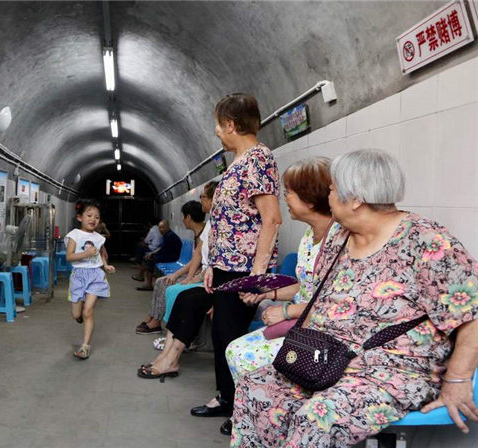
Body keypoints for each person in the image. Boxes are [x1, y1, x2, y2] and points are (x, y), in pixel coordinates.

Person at [232, 149, 478, 447]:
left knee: (317, 418)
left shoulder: (427, 241)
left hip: (390, 371)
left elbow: (472, 315)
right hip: (326, 358)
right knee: (255, 386)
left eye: (333, 189)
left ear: (356, 198)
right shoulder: (339, 236)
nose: (329, 196)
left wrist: (458, 381)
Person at [140, 94, 281, 437]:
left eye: (219, 124)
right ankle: (226, 397)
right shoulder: (236, 162)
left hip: (243, 271)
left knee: (231, 338)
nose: (217, 131)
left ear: (232, 125)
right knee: (221, 336)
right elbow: (223, 222)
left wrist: (257, 274)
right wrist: (210, 264)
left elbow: (272, 219)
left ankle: (240, 409)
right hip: (223, 267)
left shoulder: (259, 160)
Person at [212, 157, 338, 433]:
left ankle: (267, 419)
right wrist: (266, 294)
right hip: (299, 321)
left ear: (310, 197)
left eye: (290, 192)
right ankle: (253, 414)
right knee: (234, 349)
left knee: (244, 355)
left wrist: (285, 312)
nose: (285, 198)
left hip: (321, 333)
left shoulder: (338, 239)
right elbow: (304, 287)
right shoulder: (309, 236)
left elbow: (330, 300)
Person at [136, 199, 208, 334]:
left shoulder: (204, 234)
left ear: (189, 217)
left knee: (164, 283)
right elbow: (193, 261)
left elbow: (196, 262)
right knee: (160, 281)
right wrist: (175, 274)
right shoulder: (198, 233)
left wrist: (181, 276)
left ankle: (156, 322)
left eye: (183, 216)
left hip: (201, 276)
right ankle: (152, 317)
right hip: (194, 272)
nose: (182, 219)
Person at [65, 200, 116, 360]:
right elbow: (69, 256)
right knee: (76, 314)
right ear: (80, 217)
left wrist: (105, 266)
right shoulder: (74, 235)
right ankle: (78, 316)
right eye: (89, 215)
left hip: (95, 276)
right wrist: (85, 254)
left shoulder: (99, 238)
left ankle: (85, 346)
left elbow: (101, 254)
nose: (93, 219)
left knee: (88, 311)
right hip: (79, 276)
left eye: (97, 217)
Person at [137, 220, 183, 291]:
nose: (160, 230)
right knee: (148, 257)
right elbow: (161, 248)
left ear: (167, 227)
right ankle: (146, 280)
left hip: (172, 258)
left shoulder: (170, 236)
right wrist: (152, 253)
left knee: (149, 260)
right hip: (169, 255)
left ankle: (148, 284)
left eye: (162, 228)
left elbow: (163, 250)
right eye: (159, 228)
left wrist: (152, 255)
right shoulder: (167, 235)